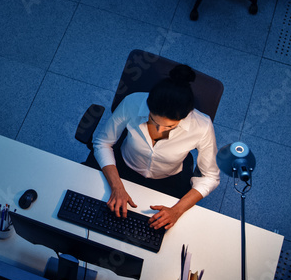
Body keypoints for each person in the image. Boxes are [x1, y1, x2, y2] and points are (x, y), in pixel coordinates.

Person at [92, 64, 219, 230]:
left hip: (170, 180)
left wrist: (177, 210)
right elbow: (103, 142)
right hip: (123, 168)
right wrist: (116, 186)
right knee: (100, 216)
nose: (160, 131)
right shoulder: (133, 102)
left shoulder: (202, 125)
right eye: (153, 121)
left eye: (170, 127)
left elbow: (210, 177)